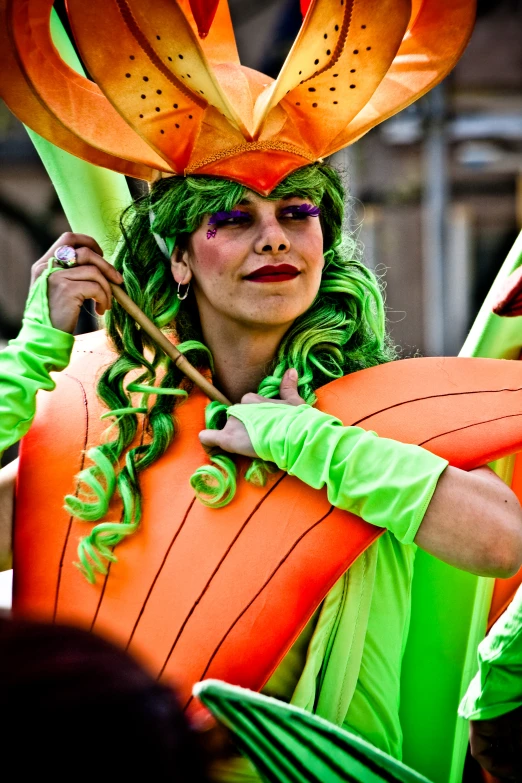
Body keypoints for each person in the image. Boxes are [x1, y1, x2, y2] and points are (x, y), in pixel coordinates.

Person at [2, 164, 522, 783]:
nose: (275, 238)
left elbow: (502, 540)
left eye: (297, 213)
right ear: (179, 258)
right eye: (233, 218)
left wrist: (307, 441)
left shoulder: (381, 412)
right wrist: (28, 360)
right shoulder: (121, 429)